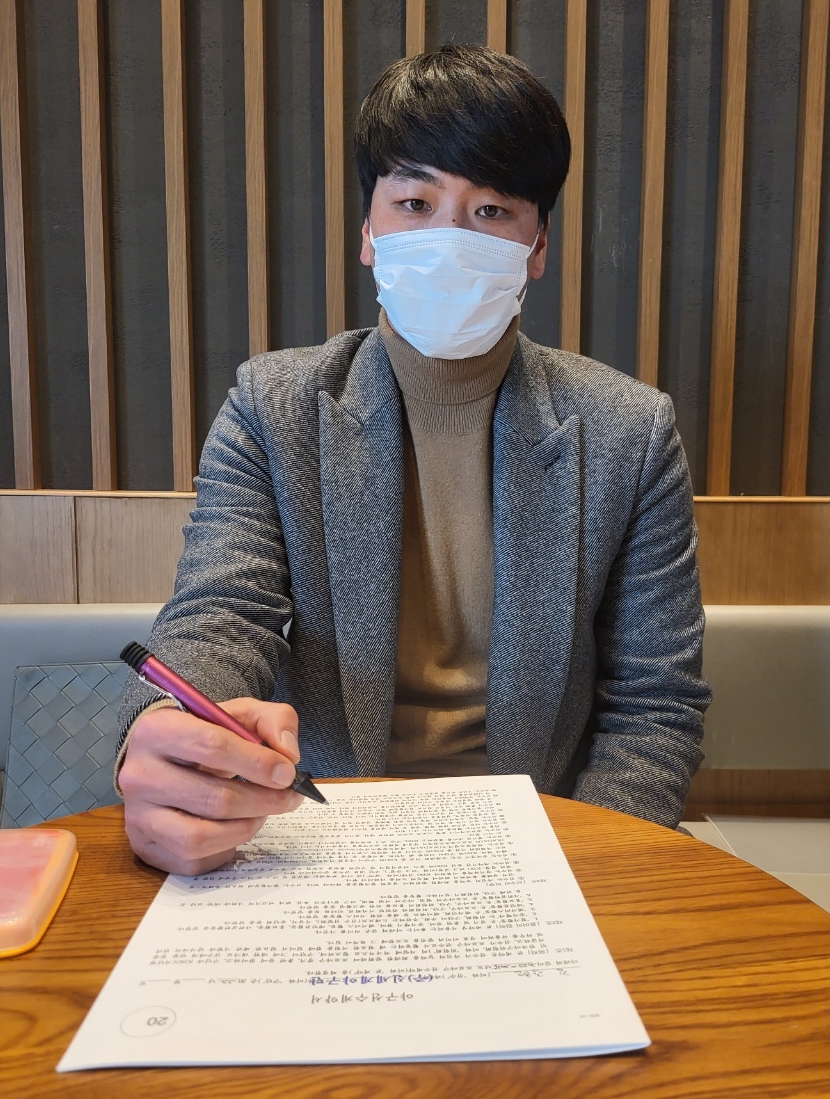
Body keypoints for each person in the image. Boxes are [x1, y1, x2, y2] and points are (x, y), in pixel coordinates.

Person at [117, 44, 711, 875]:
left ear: (537, 245)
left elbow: (655, 702)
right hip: (319, 832)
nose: (448, 239)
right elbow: (222, 615)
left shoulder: (630, 430)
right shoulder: (272, 406)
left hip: (545, 835)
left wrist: (584, 865)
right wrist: (168, 737)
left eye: (492, 210)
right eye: (415, 201)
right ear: (369, 232)